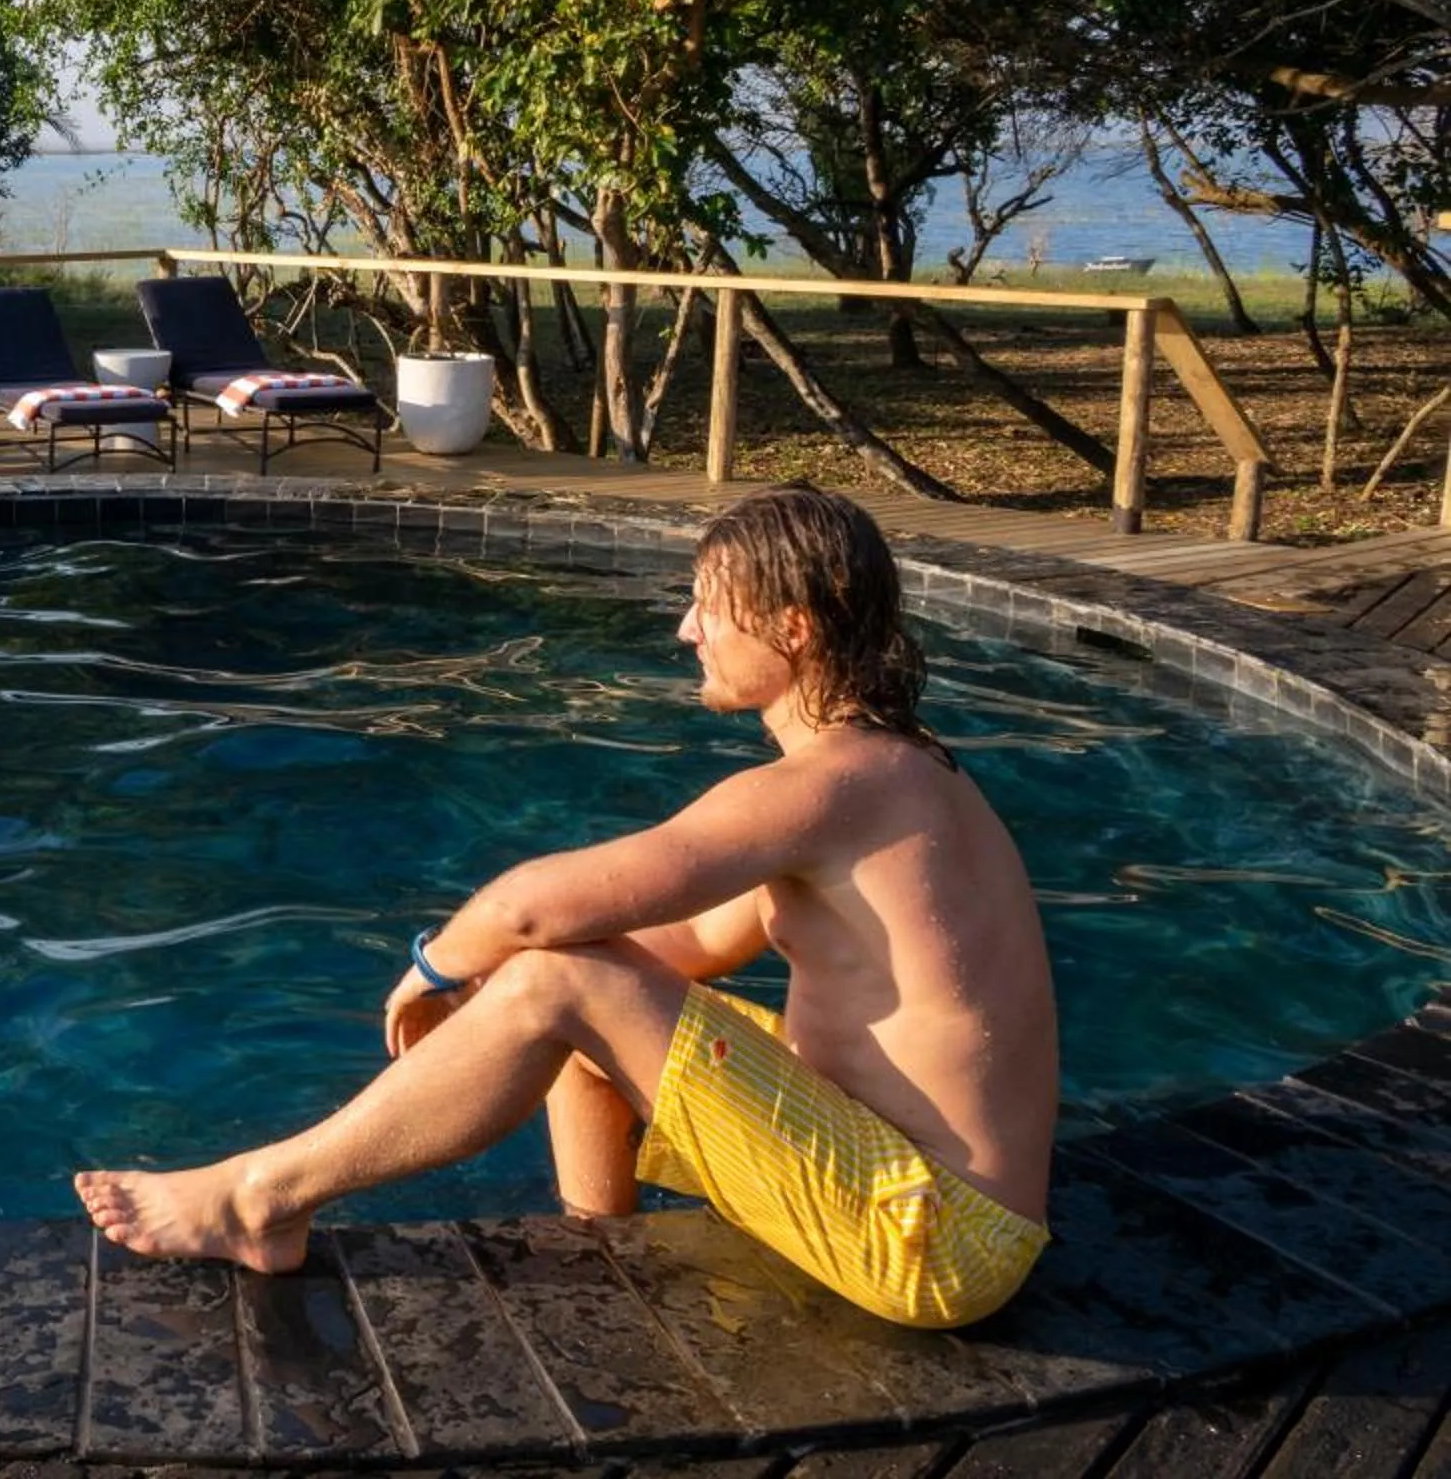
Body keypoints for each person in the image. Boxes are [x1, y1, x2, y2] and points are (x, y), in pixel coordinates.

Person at [71, 482, 1057, 1329]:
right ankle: (603, 1247)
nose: (686, 630)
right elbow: (685, 940)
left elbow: (534, 908)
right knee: (576, 989)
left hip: (934, 1241)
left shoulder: (831, 783)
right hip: (934, 1207)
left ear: (792, 628)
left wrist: (434, 970)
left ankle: (263, 1196)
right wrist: (502, 1000)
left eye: (709, 607)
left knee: (561, 974)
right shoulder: (895, 776)